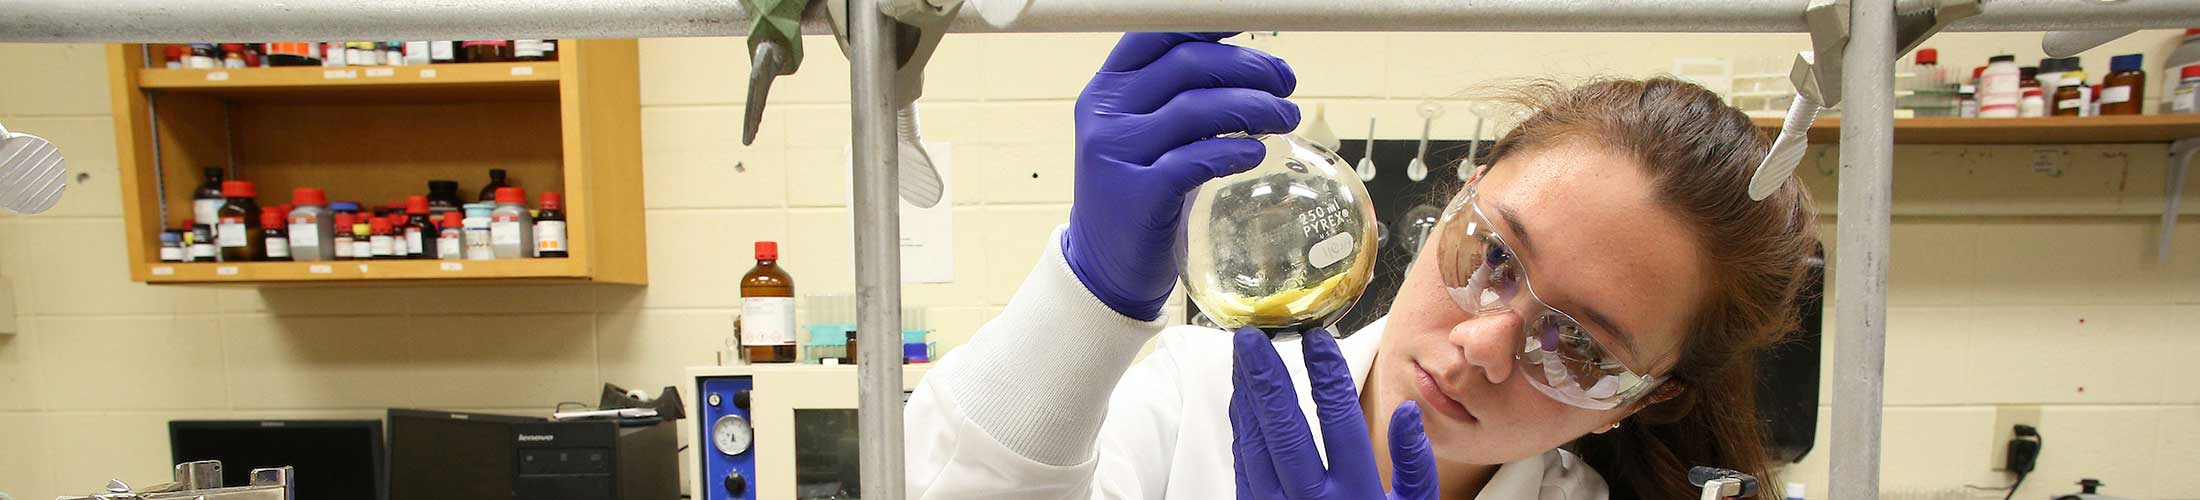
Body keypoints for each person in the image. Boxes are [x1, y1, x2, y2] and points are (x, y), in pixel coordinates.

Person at [904, 32, 1819, 500]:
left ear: (1648, 396)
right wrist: (1087, 296)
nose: (1483, 344)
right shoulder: (1187, 403)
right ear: (1456, 198)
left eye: (1579, 348)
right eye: (1494, 254)